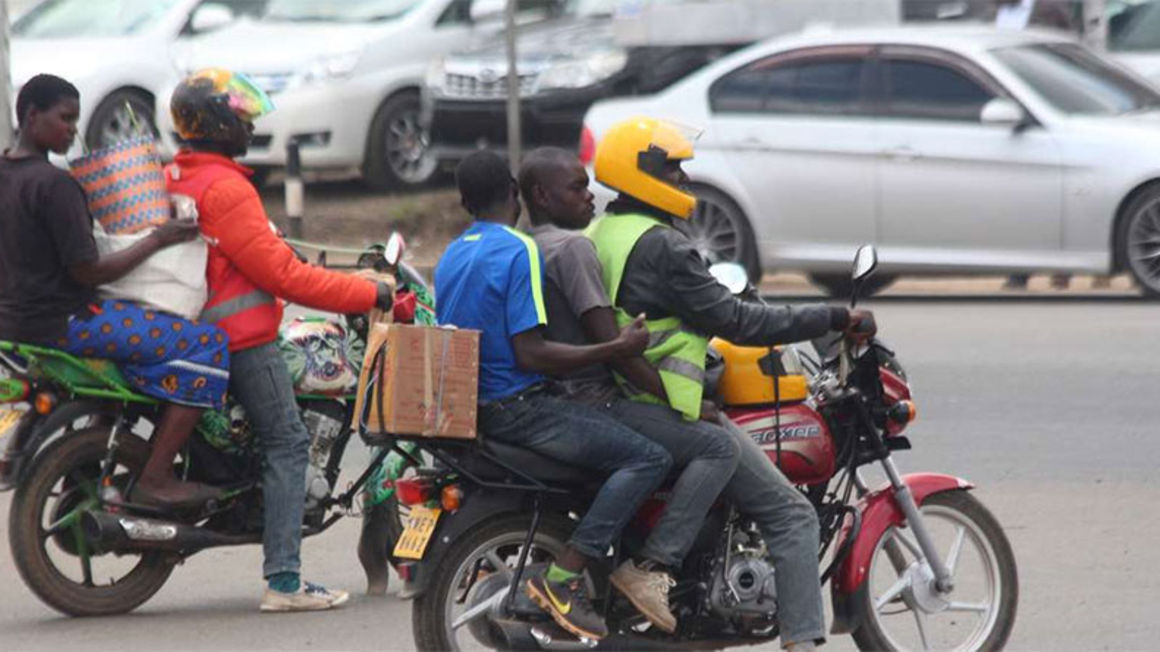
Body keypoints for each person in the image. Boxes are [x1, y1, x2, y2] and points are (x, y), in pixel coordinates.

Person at [583, 117, 879, 652]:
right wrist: (831, 316)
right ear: (643, 172)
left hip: (617, 392)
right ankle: (788, 633)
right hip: (659, 399)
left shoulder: (604, 231)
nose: (684, 184)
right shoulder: (664, 248)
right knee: (791, 516)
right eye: (674, 171)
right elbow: (739, 321)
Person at [165, 68, 394, 612]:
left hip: (195, 330)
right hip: (241, 337)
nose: (249, 125)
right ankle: (285, 582)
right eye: (242, 117)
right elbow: (284, 279)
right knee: (288, 444)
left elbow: (256, 253)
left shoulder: (179, 173)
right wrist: (369, 295)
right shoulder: (227, 188)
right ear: (219, 123)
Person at [435, 150, 672, 641]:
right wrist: (617, 346)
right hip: (519, 408)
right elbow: (532, 354)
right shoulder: (519, 251)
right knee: (648, 457)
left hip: (473, 409)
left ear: (464, 202)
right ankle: (565, 579)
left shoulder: (452, 254)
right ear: (514, 193)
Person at [519, 147, 739, 633]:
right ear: (541, 195)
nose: (588, 196)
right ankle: (650, 568)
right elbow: (615, 346)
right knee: (716, 446)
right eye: (576, 188)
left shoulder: (527, 243)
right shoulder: (573, 249)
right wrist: (682, 401)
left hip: (550, 397)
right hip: (593, 400)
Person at [0, 73, 230, 509]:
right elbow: (90, 272)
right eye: (65, 119)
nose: (72, 129)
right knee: (209, 345)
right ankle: (157, 476)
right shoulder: (55, 186)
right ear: (32, 117)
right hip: (64, 323)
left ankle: (105, 443)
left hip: (15, 322)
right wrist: (158, 239)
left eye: (75, 119)